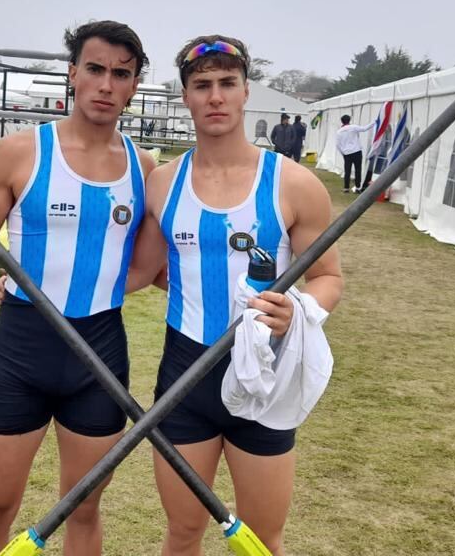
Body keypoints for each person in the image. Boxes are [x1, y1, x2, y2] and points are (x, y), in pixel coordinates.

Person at [0, 20, 156, 556]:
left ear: (132, 86)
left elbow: (150, 267)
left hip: (99, 354)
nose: (106, 84)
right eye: (96, 69)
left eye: (121, 74)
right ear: (73, 74)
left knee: (82, 511)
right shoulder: (18, 153)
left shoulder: (145, 168)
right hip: (20, 350)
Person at [128, 35, 344, 556]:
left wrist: (299, 310)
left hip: (264, 379)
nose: (216, 96)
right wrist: (23, 285)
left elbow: (328, 279)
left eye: (228, 83)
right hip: (184, 379)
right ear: (186, 96)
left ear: (247, 91)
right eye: (202, 85)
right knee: (183, 532)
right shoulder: (162, 183)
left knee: (262, 539)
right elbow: (138, 270)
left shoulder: (294, 184)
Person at [335, 114, 374, 193]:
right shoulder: (353, 127)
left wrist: (343, 153)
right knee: (358, 169)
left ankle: (346, 188)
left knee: (347, 170)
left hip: (347, 153)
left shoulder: (339, 132)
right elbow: (364, 129)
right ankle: (357, 187)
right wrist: (374, 122)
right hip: (356, 151)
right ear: (349, 120)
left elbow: (338, 145)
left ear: (342, 121)